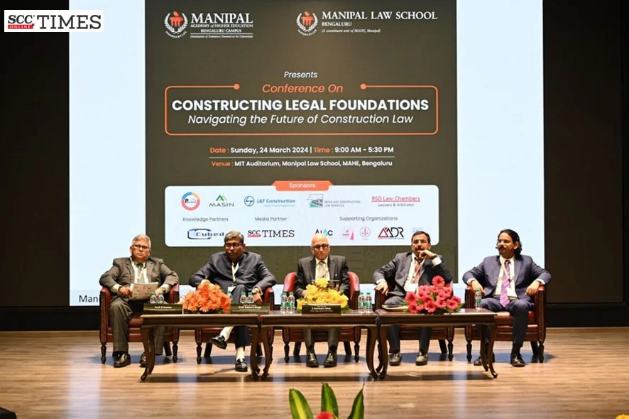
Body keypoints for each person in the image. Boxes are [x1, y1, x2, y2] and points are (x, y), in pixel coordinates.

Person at [189, 231, 276, 372]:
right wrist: (208, 285)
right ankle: (240, 357)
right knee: (240, 311)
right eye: (228, 245)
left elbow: (270, 277)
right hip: (223, 304)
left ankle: (225, 334)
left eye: (235, 245)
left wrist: (257, 289)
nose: (231, 248)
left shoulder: (255, 259)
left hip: (247, 302)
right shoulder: (215, 259)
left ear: (243, 246)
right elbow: (194, 278)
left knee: (240, 291)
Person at [463, 229, 551, 367]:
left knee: (521, 306)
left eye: (506, 241)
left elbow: (545, 274)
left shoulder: (526, 261)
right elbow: (468, 274)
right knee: (481, 305)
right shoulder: (488, 261)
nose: (501, 244)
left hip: (517, 299)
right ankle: (486, 352)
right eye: (500, 241)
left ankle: (516, 352)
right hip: (494, 299)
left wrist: (537, 282)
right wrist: (473, 281)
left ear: (515, 245)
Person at [373, 230, 453, 366]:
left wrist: (433, 258)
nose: (419, 244)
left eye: (423, 242)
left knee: (426, 310)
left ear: (429, 245)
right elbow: (379, 272)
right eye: (415, 242)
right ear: (411, 246)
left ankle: (423, 352)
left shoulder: (435, 259)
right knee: (388, 308)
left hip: (423, 298)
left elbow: (447, 277)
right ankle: (394, 352)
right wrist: (382, 281)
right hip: (401, 296)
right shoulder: (401, 258)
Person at [99, 234, 179, 368]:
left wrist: (162, 289)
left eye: (144, 247)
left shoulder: (157, 263)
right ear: (131, 249)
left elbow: (172, 276)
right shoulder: (120, 263)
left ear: (149, 251)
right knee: (116, 306)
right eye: (137, 246)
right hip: (127, 299)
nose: (141, 249)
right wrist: (119, 288)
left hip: (150, 299)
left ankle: (150, 352)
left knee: (161, 306)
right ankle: (122, 353)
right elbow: (105, 277)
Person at [294, 233, 350, 368]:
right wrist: (304, 292)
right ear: (312, 249)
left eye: (324, 246)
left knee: (335, 310)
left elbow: (346, 284)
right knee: (306, 310)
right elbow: (297, 287)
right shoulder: (303, 263)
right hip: (312, 302)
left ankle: (332, 352)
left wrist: (337, 293)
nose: (321, 250)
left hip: (332, 301)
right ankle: (310, 352)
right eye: (317, 247)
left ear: (329, 248)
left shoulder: (340, 261)